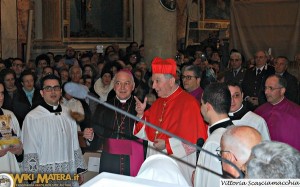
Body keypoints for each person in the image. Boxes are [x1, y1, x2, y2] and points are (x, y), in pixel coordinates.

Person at [134, 57, 207, 185]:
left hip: (178, 168)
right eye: (153, 81)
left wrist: (167, 145)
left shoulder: (190, 104)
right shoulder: (157, 103)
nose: (154, 86)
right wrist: (141, 115)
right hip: (155, 167)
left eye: (157, 81)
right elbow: (147, 133)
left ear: (171, 81)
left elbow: (195, 142)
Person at [21, 74, 86, 185]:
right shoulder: (33, 117)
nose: (53, 92)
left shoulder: (69, 114)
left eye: (56, 88)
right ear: (42, 92)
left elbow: (75, 144)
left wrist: (79, 170)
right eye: (48, 88)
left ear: (60, 91)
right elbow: (30, 149)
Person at [83, 70, 146, 176]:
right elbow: (98, 136)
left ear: (133, 86)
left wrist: (142, 116)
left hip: (133, 160)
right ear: (114, 86)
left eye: (126, 83)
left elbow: (149, 138)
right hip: (109, 161)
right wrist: (91, 136)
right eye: (118, 83)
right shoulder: (103, 107)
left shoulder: (142, 107)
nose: (122, 87)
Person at [194, 83, 233, 187]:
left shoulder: (214, 142)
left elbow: (213, 182)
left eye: (201, 104)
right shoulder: (236, 131)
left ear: (208, 107)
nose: (200, 108)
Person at [255, 75, 300, 151]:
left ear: (282, 91)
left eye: (271, 88)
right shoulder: (259, 111)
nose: (266, 92)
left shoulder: (296, 112)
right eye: (265, 88)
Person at [0, 81, 23, 173]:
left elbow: (20, 147)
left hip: (10, 168)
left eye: (2, 93)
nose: (0, 98)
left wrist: (19, 151)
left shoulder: (9, 115)